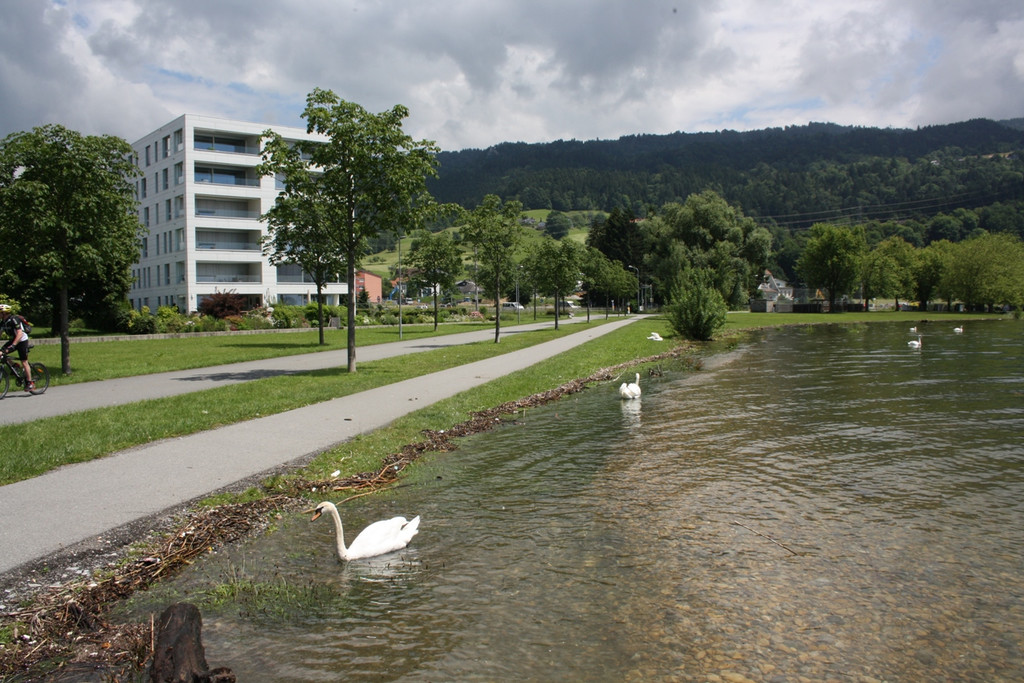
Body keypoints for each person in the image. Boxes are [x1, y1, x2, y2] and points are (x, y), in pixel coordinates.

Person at [0, 304, 34, 390]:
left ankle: (30, 382)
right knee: (1, 353)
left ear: (4, 313)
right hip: (14, 340)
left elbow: (20, 333)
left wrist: (13, 346)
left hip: (22, 340)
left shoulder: (14, 319)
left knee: (24, 361)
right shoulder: (3, 322)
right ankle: (14, 365)